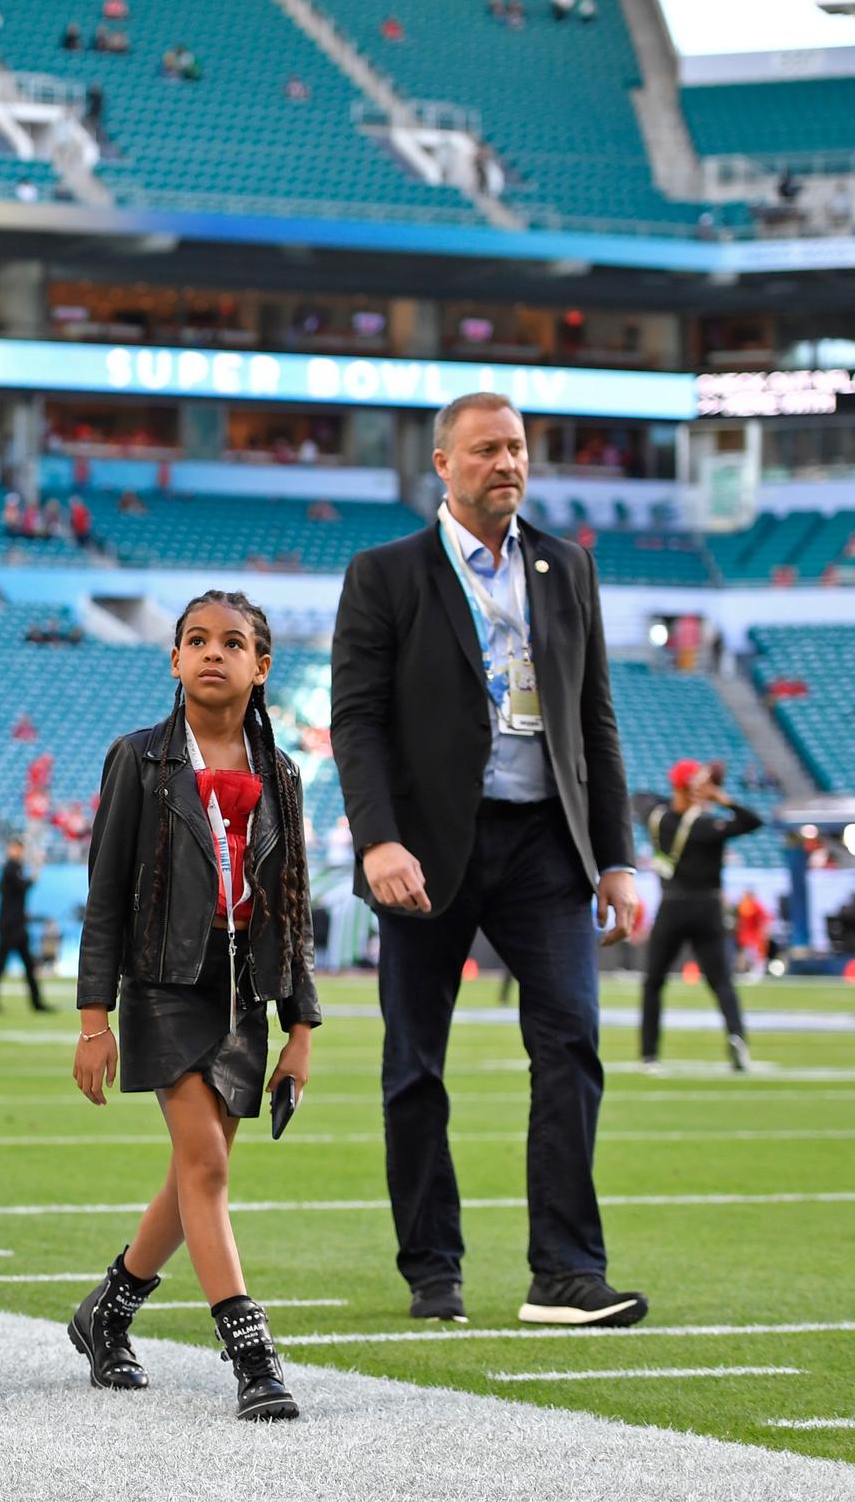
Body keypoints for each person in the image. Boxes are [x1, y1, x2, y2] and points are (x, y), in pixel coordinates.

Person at [330, 391, 645, 1330]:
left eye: (515, 449)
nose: (506, 464)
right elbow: (358, 722)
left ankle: (566, 1272)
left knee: (571, 1044)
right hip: (425, 848)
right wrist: (378, 838)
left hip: (547, 842)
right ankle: (434, 1270)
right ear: (443, 464)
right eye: (485, 451)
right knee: (415, 1064)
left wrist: (616, 858)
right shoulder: (386, 574)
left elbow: (594, 718)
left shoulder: (567, 566)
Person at [70, 591, 318, 1418]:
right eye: (197, 640)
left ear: (261, 666)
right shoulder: (138, 758)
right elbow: (105, 896)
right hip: (164, 981)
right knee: (206, 1164)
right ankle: (252, 1358)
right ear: (174, 659)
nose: (214, 653)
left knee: (195, 1175)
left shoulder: (281, 772)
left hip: (246, 988)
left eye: (233, 642)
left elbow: (293, 901)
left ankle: (107, 1313)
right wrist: (93, 1020)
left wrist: (302, 1029)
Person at [635, 761, 760, 1073]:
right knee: (721, 982)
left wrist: (686, 792)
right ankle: (737, 1036)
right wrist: (720, 797)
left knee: (653, 982)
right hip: (706, 907)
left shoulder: (658, 818)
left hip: (671, 905)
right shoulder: (706, 825)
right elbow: (752, 821)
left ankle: (649, 1053)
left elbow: (638, 798)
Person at [0, 838, 49, 1012]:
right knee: (3, 964)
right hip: (11, 925)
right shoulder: (11, 868)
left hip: (15, 924)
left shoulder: (13, 868)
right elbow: (24, 885)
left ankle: (35, 1002)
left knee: (23, 965)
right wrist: (36, 869)